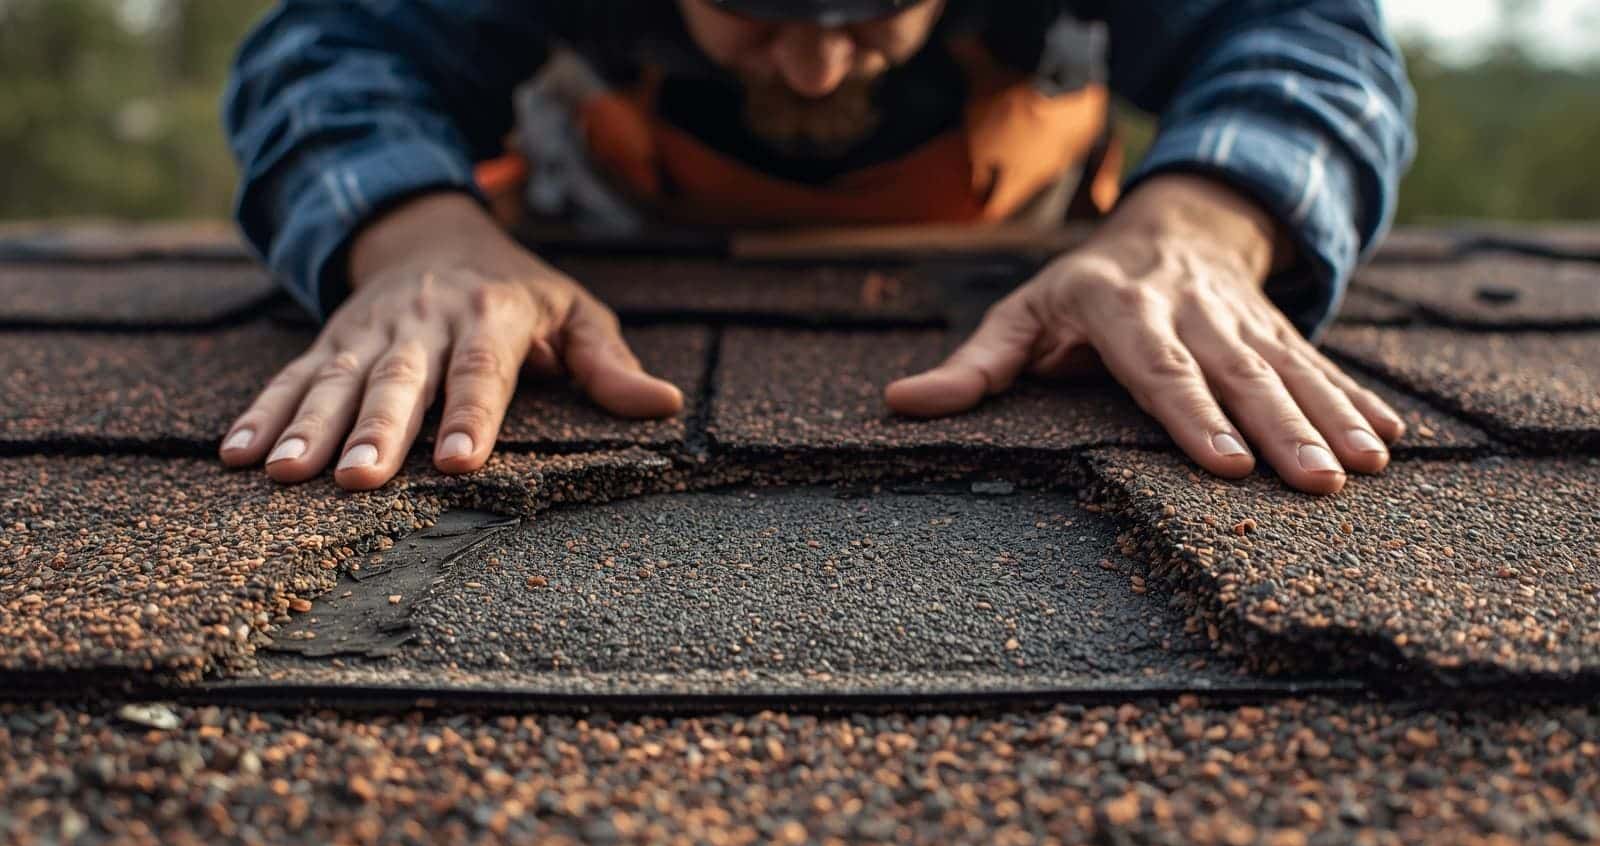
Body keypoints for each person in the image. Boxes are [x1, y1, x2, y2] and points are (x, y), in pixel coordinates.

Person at [221, 0, 1415, 495]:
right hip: (604, 232)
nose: (811, 70)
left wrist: (1203, 223)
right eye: (755, 14)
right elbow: (330, 46)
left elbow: (1306, 31)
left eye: (864, 16)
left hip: (1027, 245)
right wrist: (413, 235)